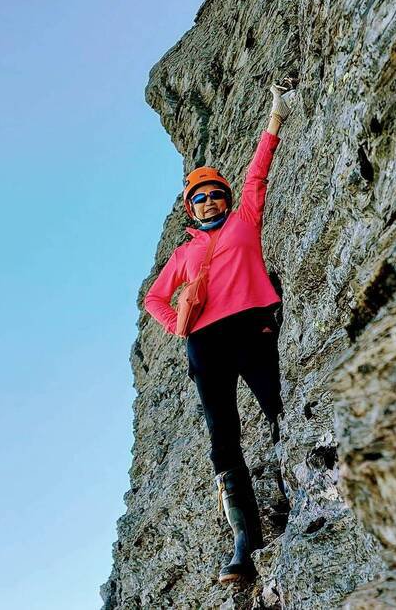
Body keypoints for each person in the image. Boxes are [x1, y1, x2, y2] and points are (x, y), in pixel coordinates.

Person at [143, 80, 295, 584]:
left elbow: (259, 171)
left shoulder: (246, 218)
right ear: (191, 209)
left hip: (252, 327)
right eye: (199, 199)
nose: (208, 202)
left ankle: (300, 484)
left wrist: (275, 112)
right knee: (222, 441)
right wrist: (177, 325)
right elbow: (153, 299)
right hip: (204, 343)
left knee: (278, 406)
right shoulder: (183, 254)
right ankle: (244, 544)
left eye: (214, 195)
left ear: (226, 199)